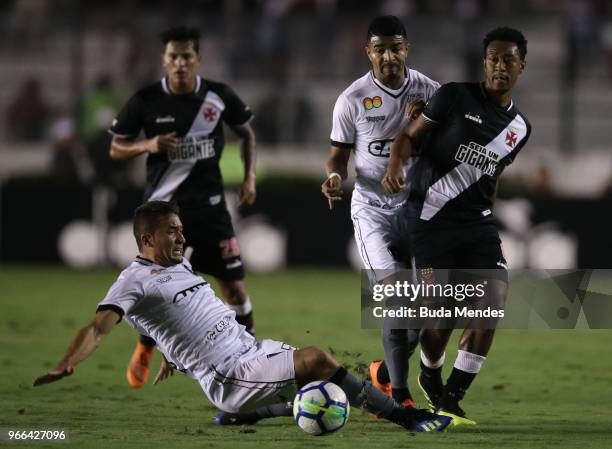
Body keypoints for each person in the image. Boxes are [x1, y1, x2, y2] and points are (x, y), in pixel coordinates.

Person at [32, 201, 451, 434]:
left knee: (324, 388)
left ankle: (249, 415)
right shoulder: (132, 281)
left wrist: (169, 352)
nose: (182, 237)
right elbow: (100, 325)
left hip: (249, 351)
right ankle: (405, 416)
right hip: (228, 374)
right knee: (320, 361)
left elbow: (166, 319)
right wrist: (68, 361)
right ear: (146, 239)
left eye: (181, 229)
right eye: (172, 231)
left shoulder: (176, 266)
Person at [382, 27, 531, 424]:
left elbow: (491, 176)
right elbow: (407, 139)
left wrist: (487, 215)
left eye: (508, 59)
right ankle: (430, 369)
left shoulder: (519, 129)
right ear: (484, 62)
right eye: (493, 58)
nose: (500, 65)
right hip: (429, 222)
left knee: (493, 301)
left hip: (476, 224)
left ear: (522, 65)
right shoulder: (452, 95)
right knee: (440, 310)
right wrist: (396, 166)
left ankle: (451, 397)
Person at [108, 26, 257, 389]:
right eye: (173, 57)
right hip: (163, 214)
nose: (179, 63)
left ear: (197, 59)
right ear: (164, 60)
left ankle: (246, 356)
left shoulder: (218, 96)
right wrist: (147, 145)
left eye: (186, 56)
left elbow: (246, 133)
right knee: (159, 290)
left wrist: (249, 177)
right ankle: (145, 346)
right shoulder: (145, 101)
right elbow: (116, 148)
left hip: (211, 211)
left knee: (234, 289)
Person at [320, 15, 440, 408]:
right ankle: (400, 397)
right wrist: (335, 179)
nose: (389, 55)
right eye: (380, 48)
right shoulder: (351, 100)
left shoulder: (430, 91)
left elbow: (447, 145)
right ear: (367, 51)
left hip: (418, 212)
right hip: (372, 210)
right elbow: (337, 159)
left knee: (427, 315)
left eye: (396, 47)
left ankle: (384, 373)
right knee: (396, 300)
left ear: (407, 48)